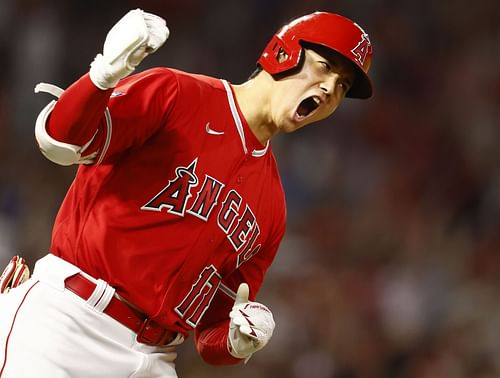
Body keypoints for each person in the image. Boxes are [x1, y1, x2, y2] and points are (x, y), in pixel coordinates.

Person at [0, 8, 373, 378]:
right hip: (68, 323)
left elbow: (211, 331)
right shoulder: (179, 94)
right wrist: (102, 75)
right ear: (281, 53)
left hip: (156, 358)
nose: (329, 89)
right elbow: (60, 142)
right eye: (325, 67)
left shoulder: (272, 206)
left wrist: (237, 340)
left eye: (342, 87)